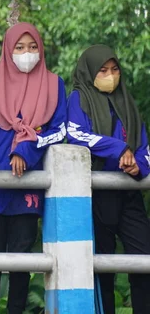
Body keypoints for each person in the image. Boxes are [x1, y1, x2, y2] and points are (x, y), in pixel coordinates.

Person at [0, 22, 67, 314]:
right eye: (20, 48)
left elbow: (58, 131)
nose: (27, 53)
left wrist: (25, 149)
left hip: (26, 188)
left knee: (21, 263)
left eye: (33, 47)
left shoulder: (53, 85)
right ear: (8, 52)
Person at [67, 45, 150, 314]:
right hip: (97, 194)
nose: (110, 75)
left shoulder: (127, 101)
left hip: (129, 192)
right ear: (90, 71)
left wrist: (139, 164)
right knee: (101, 266)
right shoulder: (79, 99)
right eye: (103, 70)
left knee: (143, 259)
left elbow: (144, 144)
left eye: (115, 70)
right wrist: (118, 148)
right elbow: (76, 134)